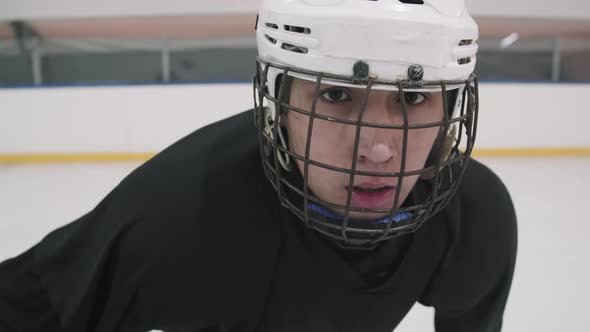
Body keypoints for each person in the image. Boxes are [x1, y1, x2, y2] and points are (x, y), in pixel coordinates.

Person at [0, 0, 517, 331]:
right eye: (337, 93)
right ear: (281, 105)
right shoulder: (181, 217)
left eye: (413, 97)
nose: (378, 150)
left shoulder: (472, 218)